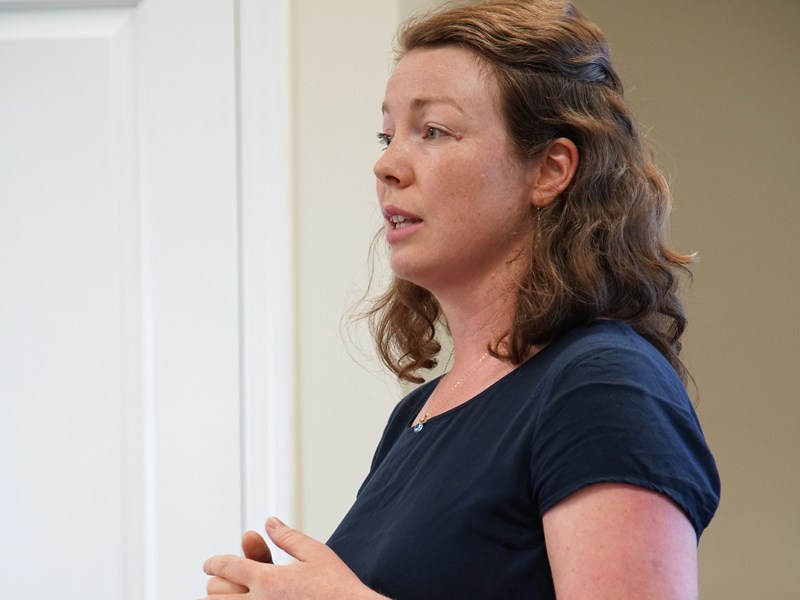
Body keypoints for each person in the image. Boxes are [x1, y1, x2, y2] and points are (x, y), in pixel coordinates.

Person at [201, 0, 720, 598]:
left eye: (434, 131)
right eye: (387, 132)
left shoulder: (601, 384)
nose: (387, 163)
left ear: (550, 170)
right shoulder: (415, 417)